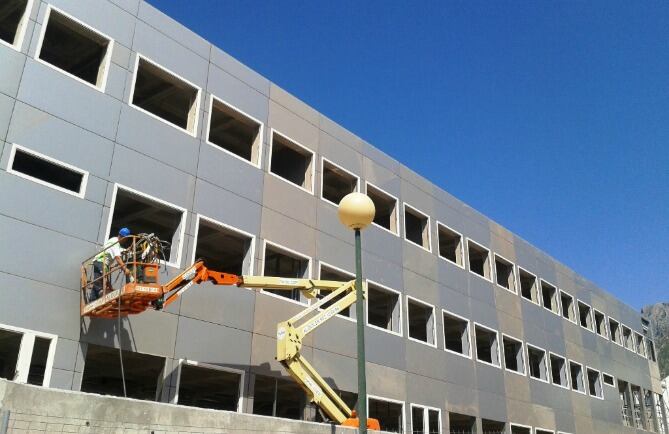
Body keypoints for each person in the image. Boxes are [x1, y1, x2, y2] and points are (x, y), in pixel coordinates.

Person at [89, 227, 134, 302]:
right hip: (101, 262)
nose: (125, 241)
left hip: (101, 263)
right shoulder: (115, 242)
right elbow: (118, 258)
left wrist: (127, 250)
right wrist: (125, 269)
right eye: (125, 239)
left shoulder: (116, 243)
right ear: (122, 237)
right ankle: (102, 295)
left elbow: (120, 251)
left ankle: (92, 301)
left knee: (98, 281)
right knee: (101, 281)